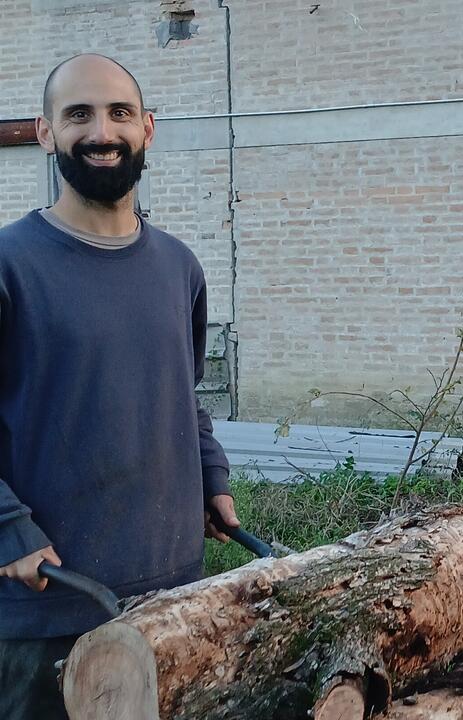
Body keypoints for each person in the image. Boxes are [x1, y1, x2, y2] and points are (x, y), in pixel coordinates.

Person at [0, 53, 240, 720]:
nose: (101, 132)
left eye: (119, 113)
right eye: (78, 114)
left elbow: (184, 396)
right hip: (45, 612)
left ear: (147, 129)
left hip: (173, 604)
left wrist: (211, 477)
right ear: (45, 132)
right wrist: (7, 527)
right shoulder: (9, 265)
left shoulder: (179, 267)